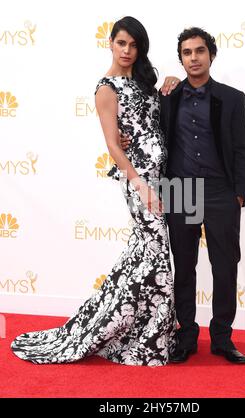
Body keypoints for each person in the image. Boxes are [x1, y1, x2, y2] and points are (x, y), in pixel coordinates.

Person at [11, 16, 177, 367]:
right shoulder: (107, 88)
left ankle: (133, 328)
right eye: (121, 43)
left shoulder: (147, 81)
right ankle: (146, 338)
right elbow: (113, 146)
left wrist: (170, 84)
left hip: (163, 174)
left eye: (134, 45)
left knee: (145, 252)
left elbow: (153, 122)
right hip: (139, 180)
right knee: (157, 251)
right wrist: (138, 183)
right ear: (111, 43)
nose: (127, 51)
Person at [122, 27, 245, 364]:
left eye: (199, 51)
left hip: (221, 192)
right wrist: (123, 140)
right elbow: (141, 125)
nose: (193, 58)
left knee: (225, 267)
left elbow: (241, 149)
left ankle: (222, 338)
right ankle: (186, 336)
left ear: (210, 55)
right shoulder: (168, 96)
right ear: (180, 58)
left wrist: (240, 192)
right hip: (180, 189)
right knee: (184, 267)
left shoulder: (233, 98)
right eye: (186, 53)